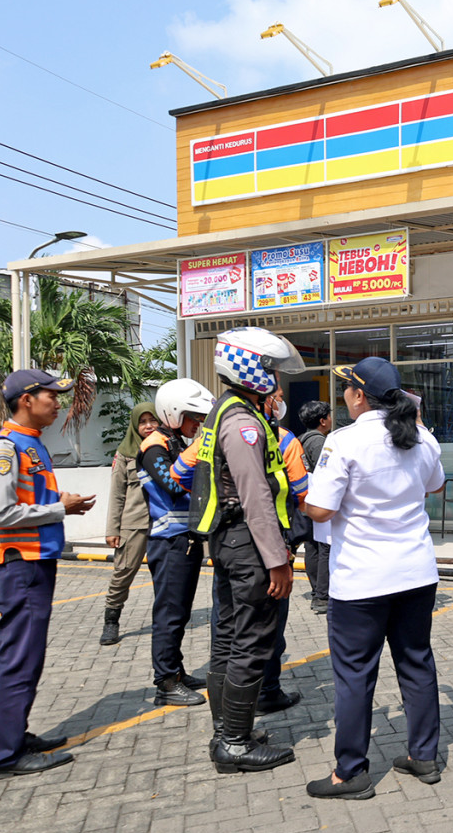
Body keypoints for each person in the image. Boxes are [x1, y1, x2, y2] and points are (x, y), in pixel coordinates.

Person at [302, 357, 446, 800]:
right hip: (416, 573)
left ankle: (351, 773)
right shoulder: (421, 437)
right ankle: (424, 755)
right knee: (416, 662)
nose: (343, 394)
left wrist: (301, 495)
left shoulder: (344, 441)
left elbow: (320, 510)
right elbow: (436, 485)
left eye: (347, 387)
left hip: (362, 580)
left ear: (360, 396)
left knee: (354, 675)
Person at [189, 326, 303, 774]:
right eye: (271, 369)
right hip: (249, 545)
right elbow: (256, 497)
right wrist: (277, 560)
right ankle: (234, 744)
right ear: (251, 369)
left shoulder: (227, 411)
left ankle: (228, 732)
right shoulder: (243, 423)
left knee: (229, 640)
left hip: (230, 541)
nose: (277, 380)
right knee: (252, 642)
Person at [0, 368, 95, 778]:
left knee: (28, 658)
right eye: (51, 395)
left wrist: (59, 500)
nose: (58, 402)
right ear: (26, 400)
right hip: (19, 565)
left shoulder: (31, 443)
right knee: (18, 660)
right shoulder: (5, 448)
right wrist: (61, 508)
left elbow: (30, 498)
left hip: (34, 562)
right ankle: (5, 756)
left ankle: (15, 735)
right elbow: (3, 513)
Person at [138, 379, 215, 707]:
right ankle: (166, 682)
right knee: (169, 613)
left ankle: (177, 671)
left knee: (180, 612)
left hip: (185, 540)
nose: (198, 424)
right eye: (194, 418)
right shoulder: (154, 446)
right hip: (168, 542)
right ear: (174, 413)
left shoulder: (175, 442)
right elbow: (172, 484)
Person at [249, 384, 307, 717]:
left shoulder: (214, 432)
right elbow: (302, 492)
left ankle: (231, 703)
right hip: (274, 544)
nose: (282, 403)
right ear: (266, 400)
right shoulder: (284, 440)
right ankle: (268, 691)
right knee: (271, 622)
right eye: (280, 398)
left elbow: (182, 474)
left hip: (233, 546)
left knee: (230, 626)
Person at [99, 402, 158, 646]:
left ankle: (164, 621)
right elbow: (117, 494)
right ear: (135, 425)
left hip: (162, 522)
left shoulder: (166, 447)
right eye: (142, 422)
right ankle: (111, 621)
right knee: (123, 572)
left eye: (152, 420)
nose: (148, 426)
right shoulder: (124, 453)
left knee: (165, 575)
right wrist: (112, 529)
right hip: (133, 523)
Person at [299, 399, 333, 615]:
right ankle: (322, 596)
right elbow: (326, 473)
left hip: (305, 501)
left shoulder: (301, 440)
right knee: (324, 547)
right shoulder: (319, 442)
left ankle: (316, 591)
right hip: (319, 500)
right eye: (329, 416)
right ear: (322, 421)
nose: (330, 419)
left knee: (311, 547)